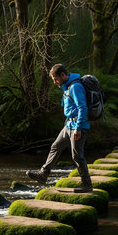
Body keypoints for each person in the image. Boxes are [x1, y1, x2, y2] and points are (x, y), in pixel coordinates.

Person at [26, 63, 93, 192]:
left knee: (77, 156)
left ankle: (87, 184)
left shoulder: (75, 87)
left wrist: (78, 128)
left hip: (78, 126)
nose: (55, 82)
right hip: (69, 125)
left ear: (62, 75)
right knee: (55, 146)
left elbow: (82, 108)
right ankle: (43, 174)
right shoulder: (67, 87)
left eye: (55, 79)